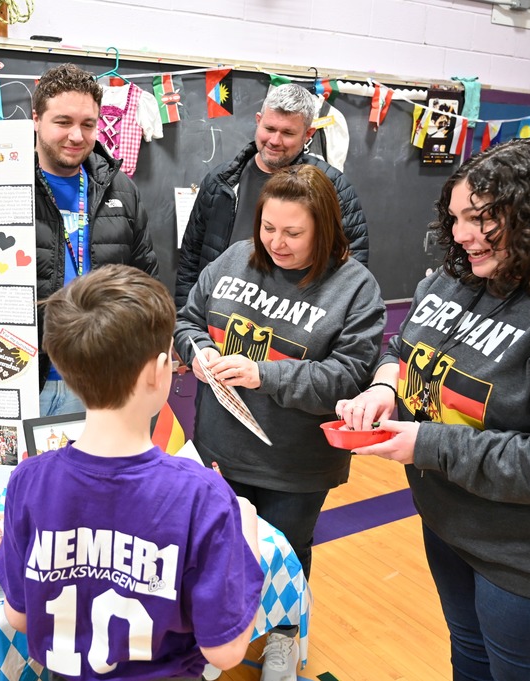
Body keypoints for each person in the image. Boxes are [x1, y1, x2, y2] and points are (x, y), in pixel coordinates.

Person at [337, 138, 530, 681]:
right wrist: (385, 384)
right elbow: (405, 346)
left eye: (481, 218)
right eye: (456, 217)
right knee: (468, 657)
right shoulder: (465, 270)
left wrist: (427, 444)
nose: (462, 234)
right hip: (453, 523)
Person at [0, 264, 264, 680]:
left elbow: (19, 616)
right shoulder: (204, 497)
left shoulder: (29, 481)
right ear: (159, 372)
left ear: (67, 371)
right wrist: (246, 531)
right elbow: (226, 651)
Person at [174, 165, 385, 681]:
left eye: (294, 233)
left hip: (295, 462)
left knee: (288, 552)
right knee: (215, 548)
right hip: (220, 446)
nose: (277, 243)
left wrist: (261, 374)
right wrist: (197, 351)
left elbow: (347, 378)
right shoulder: (234, 259)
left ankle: (283, 641)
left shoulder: (354, 287)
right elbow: (188, 318)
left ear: (325, 230)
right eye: (269, 228)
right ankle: (213, 636)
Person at [32, 63, 159, 417]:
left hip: (101, 380)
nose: (77, 136)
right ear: (36, 119)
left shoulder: (121, 189)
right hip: (24, 374)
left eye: (88, 124)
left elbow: (146, 283)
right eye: (63, 122)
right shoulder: (6, 186)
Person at [175, 82, 369, 310]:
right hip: (217, 319)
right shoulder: (221, 181)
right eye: (269, 128)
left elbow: (351, 268)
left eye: (287, 133)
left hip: (292, 329)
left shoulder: (332, 188)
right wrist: (185, 322)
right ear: (258, 121)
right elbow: (190, 259)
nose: (275, 141)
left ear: (308, 134)